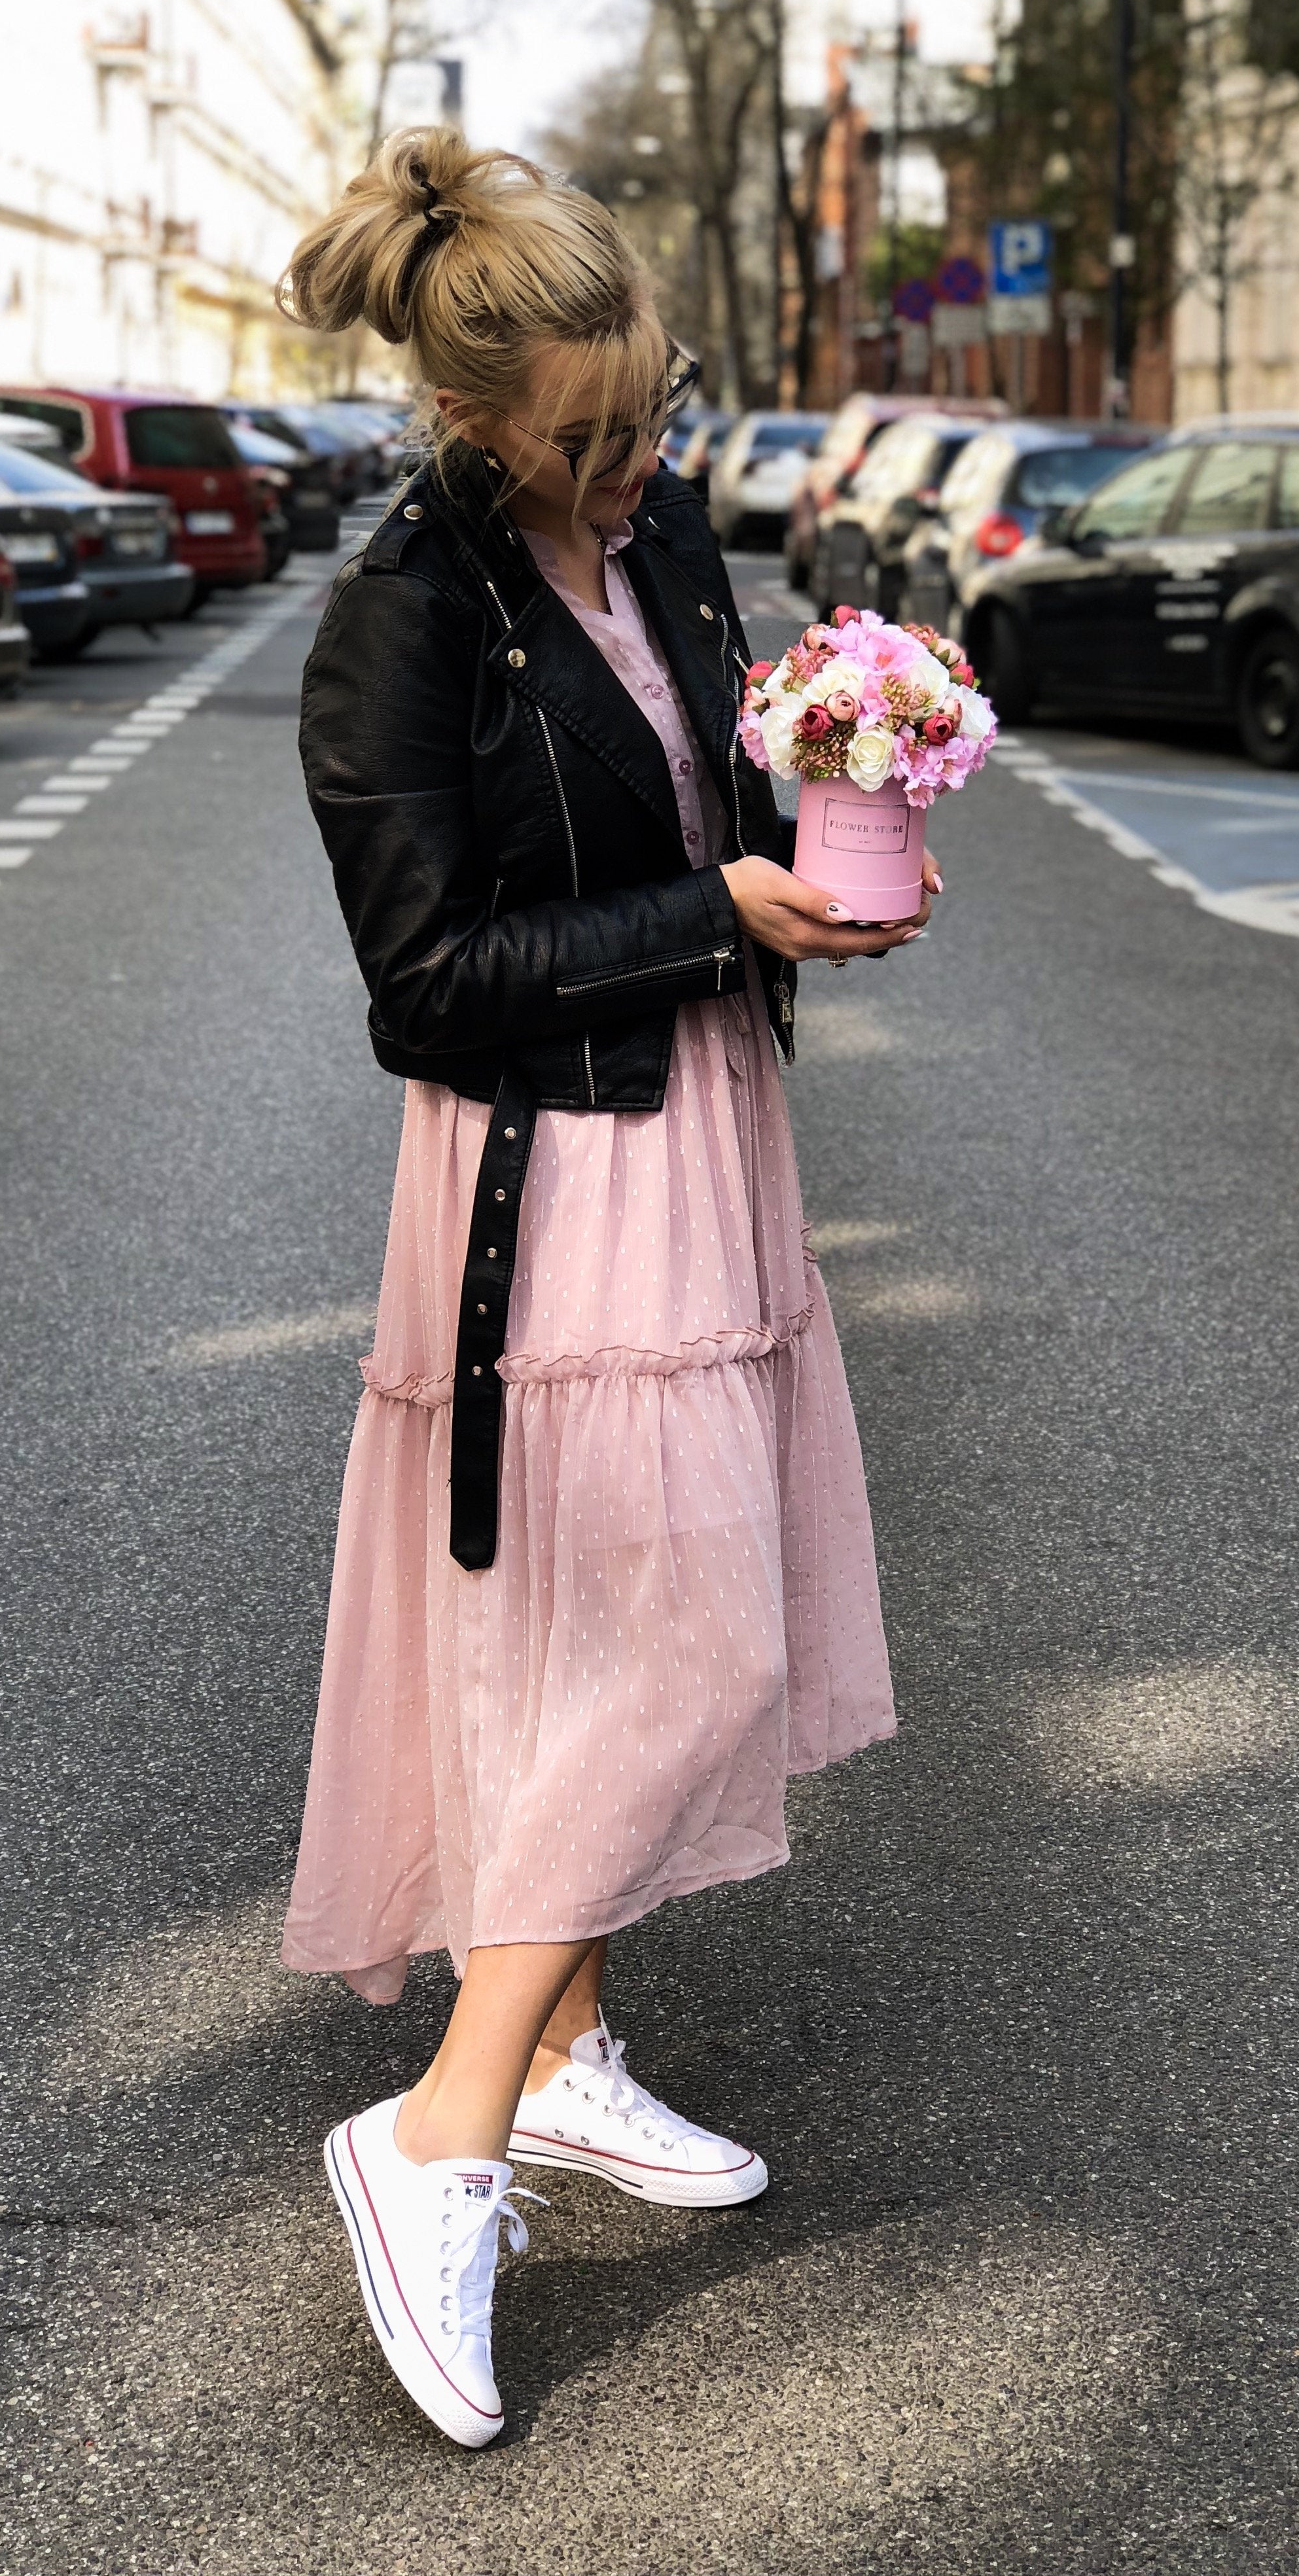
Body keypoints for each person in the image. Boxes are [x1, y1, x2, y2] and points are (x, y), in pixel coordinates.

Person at [277, 124, 936, 2450]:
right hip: (553, 1168)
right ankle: (436, 2132)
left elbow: (697, 800)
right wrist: (710, 925)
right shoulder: (404, 617)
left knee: (591, 1635)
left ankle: (558, 2057)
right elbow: (425, 979)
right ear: (475, 422)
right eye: (589, 432)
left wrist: (818, 850)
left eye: (647, 404)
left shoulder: (661, 528)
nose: (637, 458)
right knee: (688, 1636)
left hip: (706, 1135)